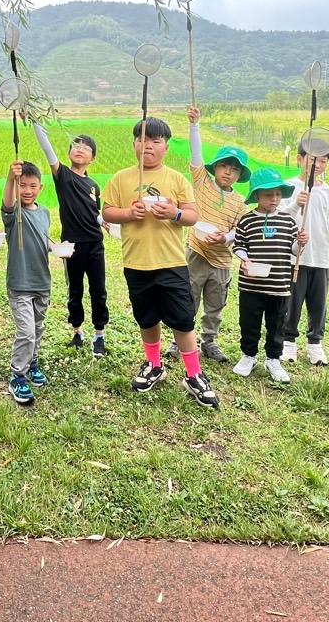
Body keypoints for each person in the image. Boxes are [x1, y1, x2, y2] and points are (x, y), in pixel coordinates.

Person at [101, 117, 219, 409]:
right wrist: (130, 213)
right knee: (147, 318)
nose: (148, 146)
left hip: (171, 263)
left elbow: (192, 216)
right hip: (136, 263)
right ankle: (154, 365)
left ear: (166, 146)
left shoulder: (176, 179)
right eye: (142, 140)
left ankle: (194, 374)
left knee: (182, 319)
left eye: (155, 141)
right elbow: (108, 211)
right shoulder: (121, 178)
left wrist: (173, 213)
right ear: (134, 144)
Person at [177, 105, 250, 363]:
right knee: (188, 297)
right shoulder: (202, 183)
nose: (228, 172)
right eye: (224, 166)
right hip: (196, 252)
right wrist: (194, 125)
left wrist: (225, 238)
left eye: (234, 169)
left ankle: (209, 341)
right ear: (215, 167)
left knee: (215, 305)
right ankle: (180, 340)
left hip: (221, 261)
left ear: (239, 175)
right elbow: (196, 154)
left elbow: (238, 230)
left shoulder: (240, 202)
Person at [32, 122, 108, 356]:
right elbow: (47, 150)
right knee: (75, 289)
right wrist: (35, 122)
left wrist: (102, 221)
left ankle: (99, 335)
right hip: (71, 246)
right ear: (69, 152)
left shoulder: (93, 186)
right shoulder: (63, 176)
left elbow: (94, 212)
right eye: (76, 145)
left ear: (92, 158)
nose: (80, 149)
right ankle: (77, 332)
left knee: (98, 289)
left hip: (95, 244)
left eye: (86, 147)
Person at [231, 168, 307, 383]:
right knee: (249, 322)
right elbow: (239, 245)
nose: (274, 199)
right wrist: (245, 259)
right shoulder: (247, 220)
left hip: (279, 286)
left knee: (276, 325)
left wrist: (301, 243)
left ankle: (273, 359)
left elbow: (294, 250)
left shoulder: (288, 221)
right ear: (256, 195)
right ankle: (249, 355)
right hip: (251, 285)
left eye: (278, 194)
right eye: (268, 195)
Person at [279, 137, 329, 367]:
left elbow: (324, 219)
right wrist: (296, 203)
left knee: (318, 303)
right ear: (300, 159)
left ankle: (315, 343)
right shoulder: (288, 187)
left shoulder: (326, 190)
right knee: (292, 300)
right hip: (295, 255)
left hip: (320, 254)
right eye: (313, 160)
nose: (319, 165)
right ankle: (288, 342)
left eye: (324, 160)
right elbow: (280, 218)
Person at [1, 160, 52, 404]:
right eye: (22, 185)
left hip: (42, 282)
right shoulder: (14, 214)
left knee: (38, 328)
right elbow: (8, 202)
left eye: (32, 186)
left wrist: (56, 247)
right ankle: (17, 375)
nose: (27, 191)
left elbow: (43, 239)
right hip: (20, 283)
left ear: (40, 187)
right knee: (26, 332)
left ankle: (32, 363)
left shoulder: (44, 212)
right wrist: (11, 178)